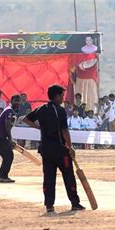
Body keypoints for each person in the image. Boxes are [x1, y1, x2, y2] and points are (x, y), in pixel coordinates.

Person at [23, 84, 85, 213]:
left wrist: (39, 127)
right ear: (56, 96)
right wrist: (70, 146)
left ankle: (49, 206)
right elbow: (64, 131)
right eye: (62, 95)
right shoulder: (60, 110)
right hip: (60, 150)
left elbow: (26, 119)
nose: (63, 98)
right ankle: (75, 203)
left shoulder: (40, 109)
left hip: (45, 150)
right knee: (69, 177)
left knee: (49, 178)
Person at [0, 95, 21, 183]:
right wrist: (10, 139)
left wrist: (8, 139)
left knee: (7, 156)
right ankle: (3, 176)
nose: (18, 103)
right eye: (16, 100)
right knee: (9, 156)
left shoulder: (11, 110)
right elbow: (7, 125)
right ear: (11, 101)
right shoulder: (9, 110)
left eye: (19, 101)